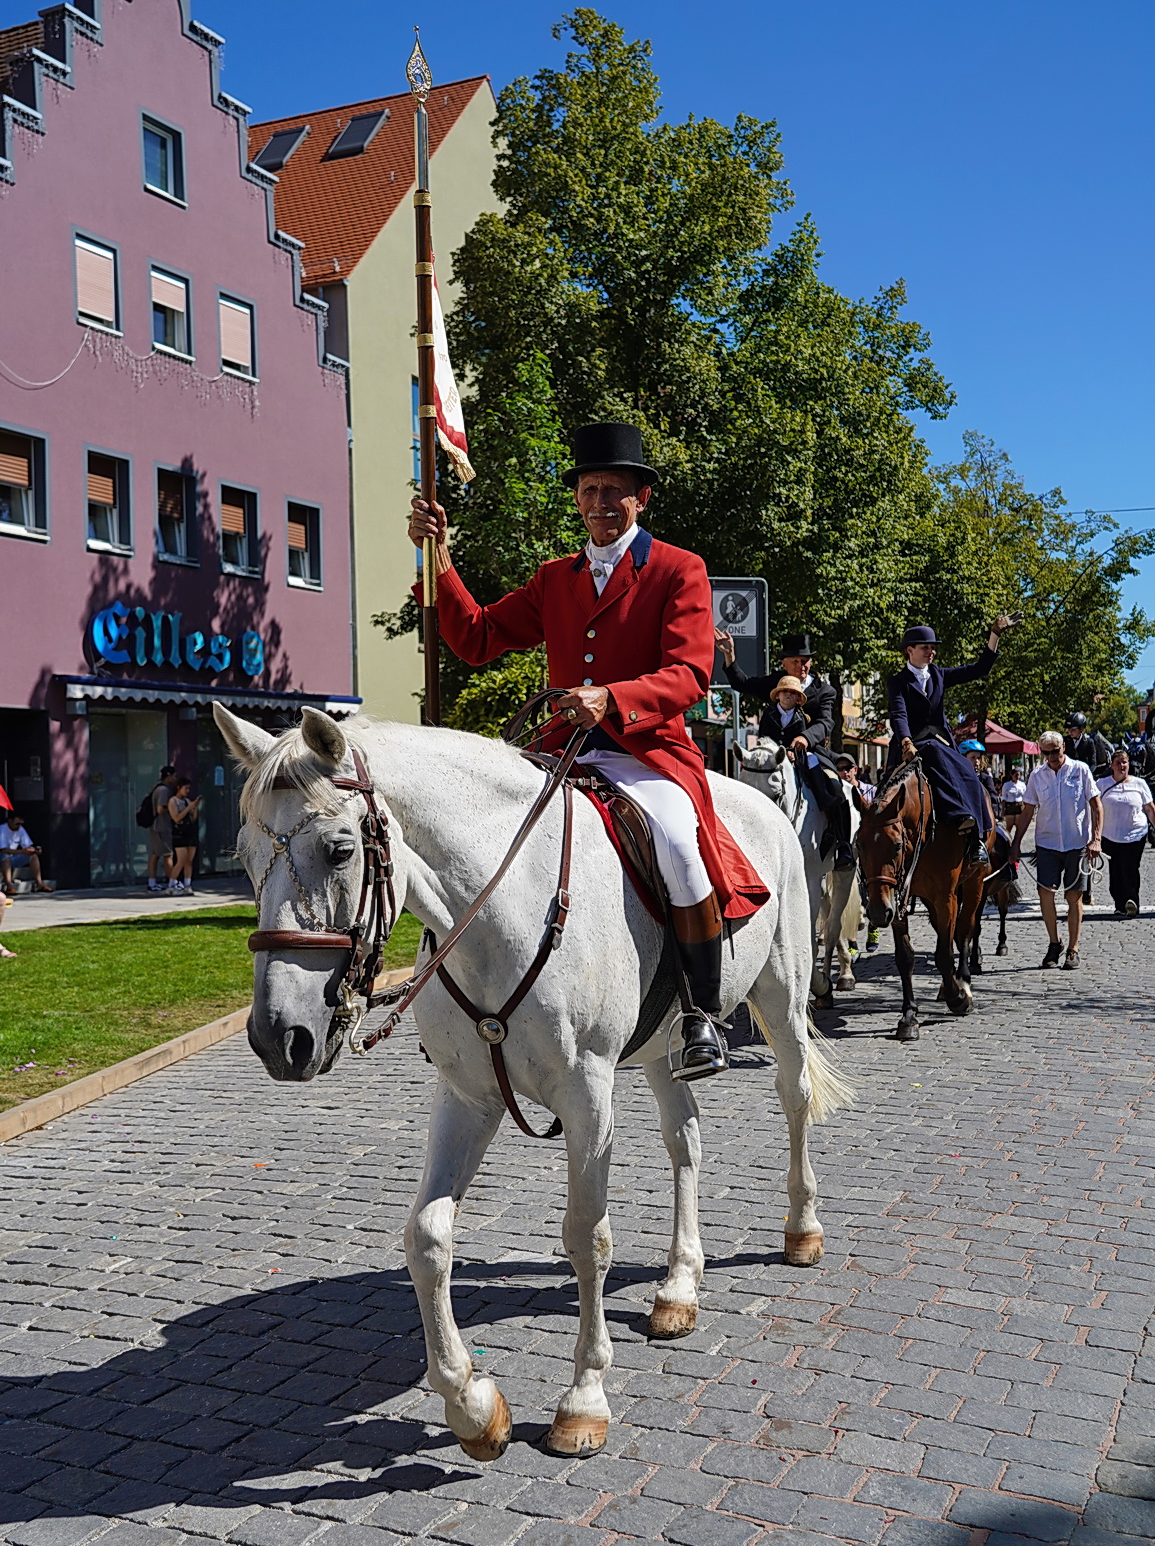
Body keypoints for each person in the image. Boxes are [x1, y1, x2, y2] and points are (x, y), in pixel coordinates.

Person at [408, 421, 770, 1078]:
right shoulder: (555, 578)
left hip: (646, 753)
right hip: (560, 753)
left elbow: (689, 673)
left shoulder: (676, 569)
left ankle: (697, 1015)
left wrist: (613, 697)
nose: (600, 503)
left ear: (641, 499)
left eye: (615, 491)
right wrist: (439, 559)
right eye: (590, 490)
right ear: (576, 496)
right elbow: (478, 638)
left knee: (682, 851)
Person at [885, 618, 1019, 867]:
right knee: (881, 801)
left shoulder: (938, 675)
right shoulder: (898, 681)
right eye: (925, 647)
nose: (931, 652)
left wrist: (995, 634)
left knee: (969, 772)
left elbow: (979, 669)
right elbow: (899, 714)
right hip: (910, 745)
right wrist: (905, 741)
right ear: (909, 650)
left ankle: (977, 838)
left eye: (933, 648)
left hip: (940, 742)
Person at [716, 629, 853, 868]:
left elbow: (826, 722)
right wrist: (730, 656)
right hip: (772, 755)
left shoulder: (825, 691)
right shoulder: (775, 683)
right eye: (796, 661)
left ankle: (843, 846)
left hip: (810, 753)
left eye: (806, 661)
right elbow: (742, 683)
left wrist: (805, 737)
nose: (802, 665)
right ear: (784, 663)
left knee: (835, 786)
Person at [1009, 729, 1103, 969]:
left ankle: (1073, 949)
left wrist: (1096, 839)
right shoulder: (1037, 776)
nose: (1051, 756)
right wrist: (1016, 843)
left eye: (1055, 751)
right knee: (1045, 894)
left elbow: (1096, 805)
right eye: (1046, 752)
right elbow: (1028, 811)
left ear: (1063, 748)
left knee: (1073, 896)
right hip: (1047, 844)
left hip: (1076, 843)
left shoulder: (1080, 770)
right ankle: (1054, 942)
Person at [1096, 748, 1154, 918]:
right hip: (1110, 835)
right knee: (1116, 869)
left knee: (1130, 867)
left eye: (1124, 762)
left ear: (1129, 764)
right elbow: (1094, 809)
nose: (1122, 765)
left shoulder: (1139, 784)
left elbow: (1150, 809)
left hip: (1135, 834)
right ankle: (1119, 904)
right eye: (1118, 763)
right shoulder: (1102, 784)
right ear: (1112, 766)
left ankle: (1132, 901)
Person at [166, 778, 201, 895]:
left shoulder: (187, 801)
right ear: (178, 788)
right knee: (181, 860)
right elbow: (176, 818)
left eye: (189, 788)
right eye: (185, 788)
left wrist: (194, 808)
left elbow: (193, 818)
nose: (187, 791)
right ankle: (171, 885)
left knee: (189, 861)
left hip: (189, 833)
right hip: (179, 834)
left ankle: (187, 884)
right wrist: (188, 808)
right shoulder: (173, 801)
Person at [0, 813, 50, 894]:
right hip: (3, 858)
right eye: (17, 823)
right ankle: (9, 886)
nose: (18, 826)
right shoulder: (2, 830)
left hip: (13, 858)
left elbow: (27, 845)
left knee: (33, 856)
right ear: (10, 821)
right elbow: (3, 850)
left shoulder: (20, 829)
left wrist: (33, 850)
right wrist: (22, 851)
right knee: (6, 857)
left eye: (20, 824)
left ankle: (39, 884)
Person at [147, 763, 176, 893]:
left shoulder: (156, 788)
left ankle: (152, 882)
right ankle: (172, 882)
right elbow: (160, 809)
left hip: (155, 827)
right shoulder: (164, 790)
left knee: (155, 854)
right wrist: (171, 809)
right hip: (162, 826)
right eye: (174, 776)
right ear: (168, 776)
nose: (175, 779)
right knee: (168, 854)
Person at [960, 740, 1002, 820]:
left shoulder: (985, 778)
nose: (977, 761)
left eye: (978, 758)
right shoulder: (958, 778)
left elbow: (993, 800)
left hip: (983, 818)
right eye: (973, 758)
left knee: (1001, 832)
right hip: (964, 818)